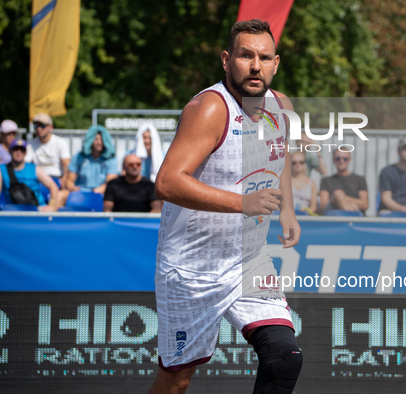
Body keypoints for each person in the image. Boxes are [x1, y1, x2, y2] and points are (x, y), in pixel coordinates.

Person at [149, 20, 303, 394]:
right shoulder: (209, 108)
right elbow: (167, 182)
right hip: (191, 272)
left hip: (248, 263)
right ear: (226, 59)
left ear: (276, 63)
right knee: (176, 383)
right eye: (246, 55)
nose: (255, 66)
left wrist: (288, 210)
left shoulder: (281, 106)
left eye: (264, 57)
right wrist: (242, 203)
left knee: (285, 356)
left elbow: (277, 156)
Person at [0, 139, 58, 211]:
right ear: (10, 151)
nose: (19, 152)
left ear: (25, 153)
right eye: (15, 149)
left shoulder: (35, 168)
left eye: (22, 150)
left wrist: (51, 206)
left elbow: (53, 187)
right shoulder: (0, 169)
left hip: (37, 209)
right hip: (13, 210)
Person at [66, 125, 118, 194]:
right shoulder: (79, 156)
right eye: (96, 139)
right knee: (61, 195)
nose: (99, 142)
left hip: (102, 194)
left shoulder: (111, 159)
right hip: (80, 193)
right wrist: (72, 188)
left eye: (102, 139)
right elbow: (70, 180)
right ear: (89, 140)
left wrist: (97, 191)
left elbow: (111, 182)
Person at [25, 113, 71, 187]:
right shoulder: (30, 144)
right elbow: (25, 164)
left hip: (56, 178)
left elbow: (67, 164)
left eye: (42, 126)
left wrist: (64, 180)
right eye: (36, 126)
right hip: (37, 179)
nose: (39, 129)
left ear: (51, 127)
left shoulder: (60, 142)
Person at [319, 150, 368, 214]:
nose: (341, 161)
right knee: (338, 193)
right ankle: (349, 215)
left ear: (350, 160)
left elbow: (365, 204)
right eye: (338, 158)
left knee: (338, 194)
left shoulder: (360, 179)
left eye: (345, 159)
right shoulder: (326, 181)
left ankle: (348, 215)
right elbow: (323, 205)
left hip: (356, 213)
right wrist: (339, 199)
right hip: (333, 214)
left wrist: (343, 199)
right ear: (333, 159)